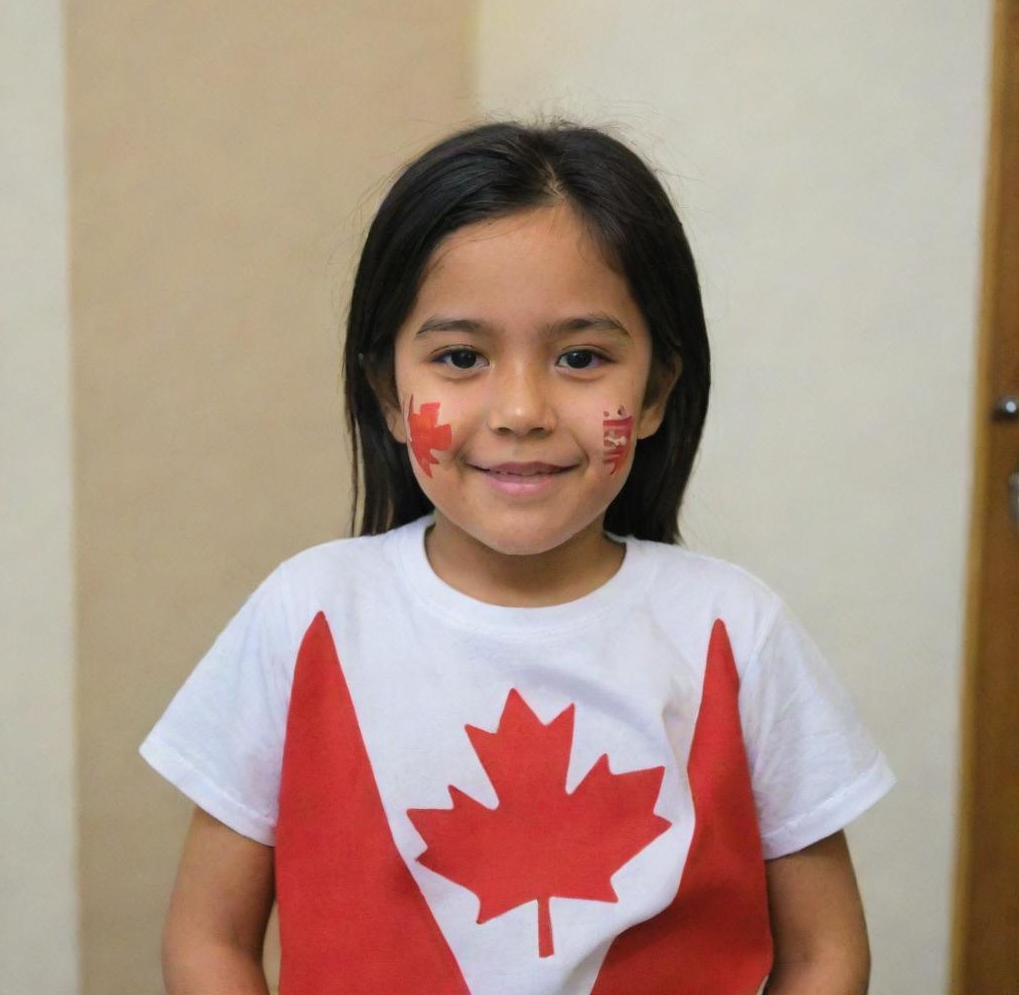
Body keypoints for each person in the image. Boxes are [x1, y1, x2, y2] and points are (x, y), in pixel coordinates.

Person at [140, 118, 895, 995]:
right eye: (461, 357)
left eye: (581, 357)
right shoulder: (306, 614)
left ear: (654, 391)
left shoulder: (738, 631)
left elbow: (824, 953)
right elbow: (209, 941)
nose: (522, 409)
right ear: (388, 393)